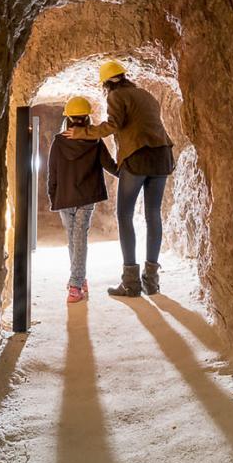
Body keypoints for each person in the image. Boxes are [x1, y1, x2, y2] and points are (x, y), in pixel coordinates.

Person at [64, 60, 174, 298]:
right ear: (124, 76)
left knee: (124, 216)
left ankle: (131, 284)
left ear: (106, 83)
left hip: (138, 158)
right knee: (153, 215)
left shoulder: (116, 96)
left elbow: (113, 125)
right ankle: (152, 283)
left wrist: (82, 133)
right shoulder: (145, 94)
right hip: (162, 156)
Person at [47, 95, 117, 304]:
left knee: (74, 239)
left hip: (64, 197)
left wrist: (54, 197)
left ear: (68, 119)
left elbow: (53, 172)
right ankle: (78, 282)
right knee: (78, 239)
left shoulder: (59, 142)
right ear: (87, 119)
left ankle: (76, 283)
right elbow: (111, 166)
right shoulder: (95, 141)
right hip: (86, 197)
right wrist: (133, 171)